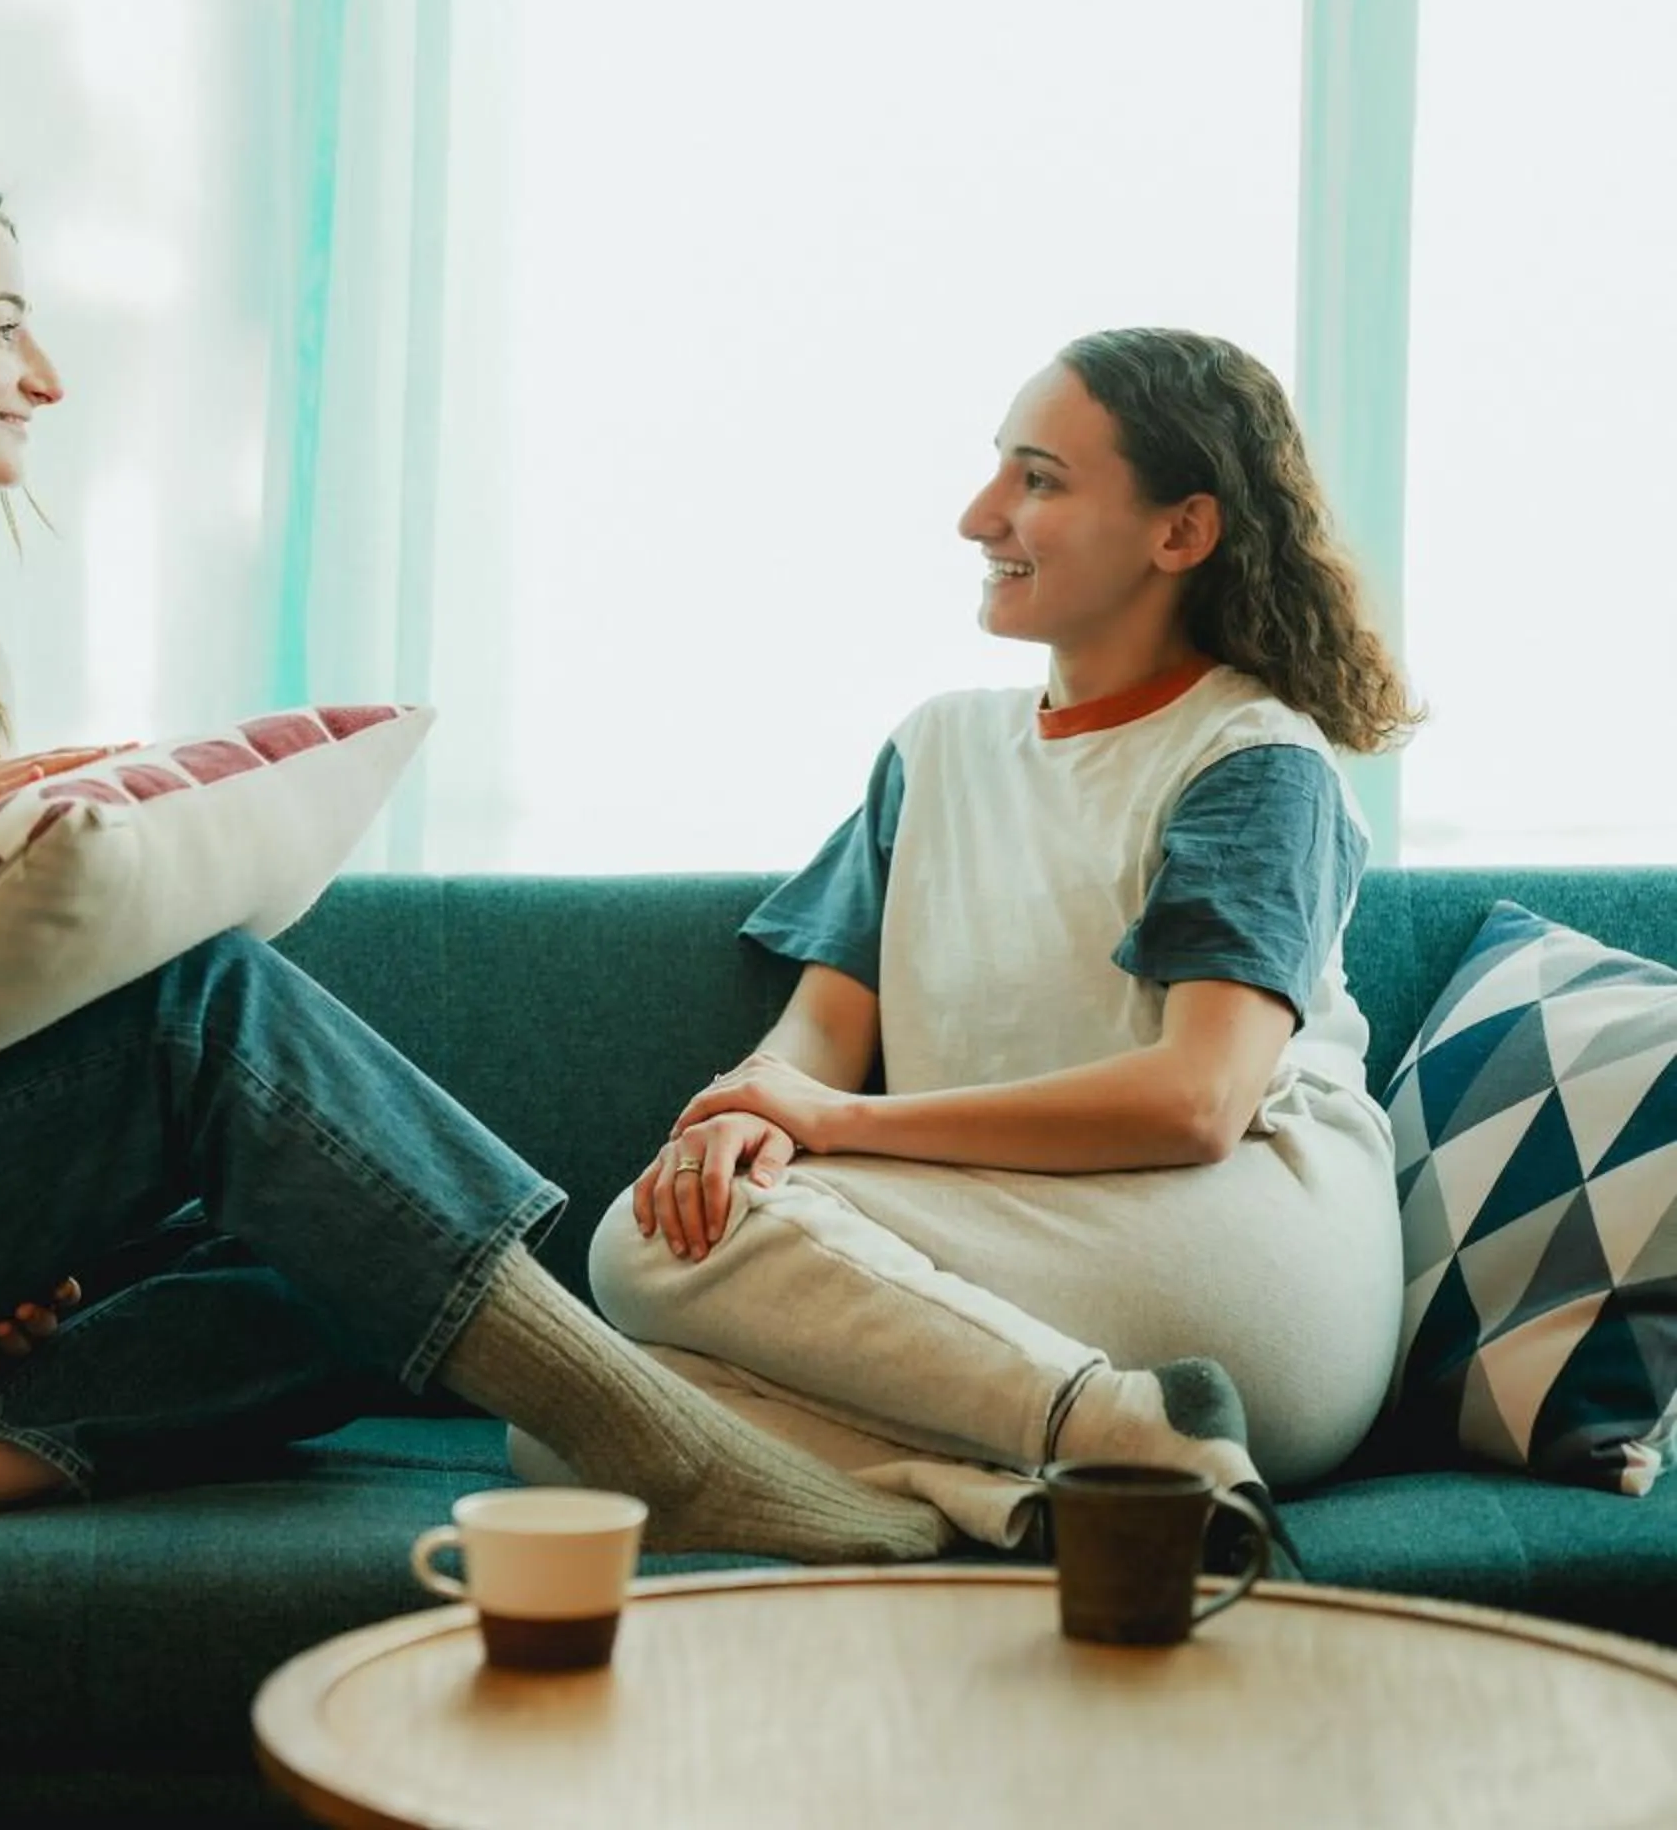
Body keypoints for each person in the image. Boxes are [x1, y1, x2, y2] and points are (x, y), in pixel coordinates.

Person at [0, 157, 948, 1561]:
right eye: (6, 330)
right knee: (204, 1011)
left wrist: (5, 1219)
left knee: (350, 1242)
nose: (47, 379)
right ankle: (659, 1444)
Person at [555, 328, 1419, 1546]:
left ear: (1181, 532)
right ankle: (1054, 1495)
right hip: (1021, 1260)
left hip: (1246, 1246)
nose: (979, 515)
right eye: (997, 470)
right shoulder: (935, 748)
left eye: (1039, 479)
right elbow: (822, 1026)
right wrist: (759, 1103)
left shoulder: (1254, 758)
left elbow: (1195, 1099)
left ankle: (1123, 1426)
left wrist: (833, 1126)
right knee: (566, 1428)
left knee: (643, 1247)